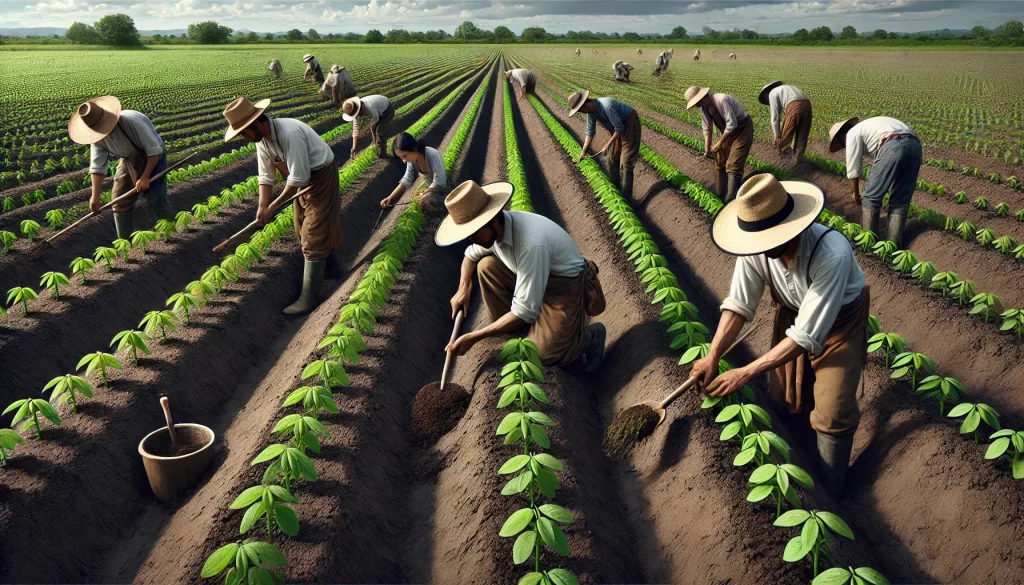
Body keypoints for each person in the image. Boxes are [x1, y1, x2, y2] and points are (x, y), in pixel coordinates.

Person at [692, 173, 869, 498]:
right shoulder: (755, 247)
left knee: (833, 412)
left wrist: (744, 372)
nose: (764, 247)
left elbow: (806, 335)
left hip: (841, 322)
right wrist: (713, 355)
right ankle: (802, 461)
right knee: (784, 395)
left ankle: (831, 492)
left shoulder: (833, 254)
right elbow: (739, 305)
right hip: (793, 310)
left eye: (772, 239)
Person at [436, 180, 607, 371]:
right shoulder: (493, 232)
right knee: (486, 265)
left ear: (492, 221)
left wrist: (475, 337)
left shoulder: (530, 243)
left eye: (474, 232)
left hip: (562, 287)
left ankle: (588, 337)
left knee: (542, 354)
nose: (471, 238)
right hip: (535, 277)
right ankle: (518, 332)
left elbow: (524, 310)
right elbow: (470, 256)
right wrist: (463, 288)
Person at [222, 97, 342, 316]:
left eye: (243, 132)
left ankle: (309, 298)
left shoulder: (289, 133)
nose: (243, 138)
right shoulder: (262, 141)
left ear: (255, 124)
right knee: (300, 227)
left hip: (321, 176)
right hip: (302, 180)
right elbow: (266, 176)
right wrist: (262, 206)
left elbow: (298, 177)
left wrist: (274, 206)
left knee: (313, 231)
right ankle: (332, 269)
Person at [68, 95, 172, 240]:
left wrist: (145, 177)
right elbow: (98, 168)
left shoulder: (130, 123)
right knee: (119, 202)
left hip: (153, 155)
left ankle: (171, 233)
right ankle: (125, 245)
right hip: (128, 158)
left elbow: (154, 151)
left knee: (155, 198)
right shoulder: (97, 139)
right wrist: (95, 197)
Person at [829, 116, 921, 247]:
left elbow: (853, 168)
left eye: (841, 144)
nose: (843, 147)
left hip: (892, 145)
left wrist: (855, 193)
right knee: (900, 200)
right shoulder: (870, 126)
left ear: (841, 135)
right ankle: (893, 246)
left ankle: (869, 244)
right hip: (915, 146)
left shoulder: (851, 133)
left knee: (870, 198)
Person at [685, 86, 754, 204]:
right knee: (719, 158)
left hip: (742, 129)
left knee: (734, 163)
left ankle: (731, 199)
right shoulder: (704, 108)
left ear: (701, 98)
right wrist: (707, 150)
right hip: (728, 132)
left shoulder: (721, 100)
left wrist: (719, 143)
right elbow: (707, 130)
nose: (695, 105)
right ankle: (720, 193)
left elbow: (732, 124)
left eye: (695, 102)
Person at [568, 90, 642, 199]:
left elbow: (619, 128)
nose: (580, 112)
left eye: (579, 110)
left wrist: (607, 145)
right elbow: (590, 132)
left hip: (629, 123)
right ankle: (616, 191)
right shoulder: (591, 112)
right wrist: (583, 152)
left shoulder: (607, 106)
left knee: (625, 163)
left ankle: (626, 198)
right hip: (617, 128)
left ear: (584, 106)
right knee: (611, 160)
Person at [380, 132, 449, 214]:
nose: (404, 160)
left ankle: (445, 212)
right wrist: (390, 197)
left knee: (424, 200)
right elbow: (407, 180)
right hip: (432, 188)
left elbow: (439, 182)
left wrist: (425, 193)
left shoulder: (432, 154)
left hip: (443, 187)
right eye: (401, 158)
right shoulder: (412, 161)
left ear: (413, 149)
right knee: (421, 200)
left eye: (404, 156)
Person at [759, 81, 812, 163]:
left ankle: (785, 162)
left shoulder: (772, 93)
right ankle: (799, 159)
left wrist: (777, 136)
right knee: (802, 135)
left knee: (785, 138)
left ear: (766, 92)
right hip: (807, 105)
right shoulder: (786, 89)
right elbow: (784, 116)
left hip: (794, 106)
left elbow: (775, 118)